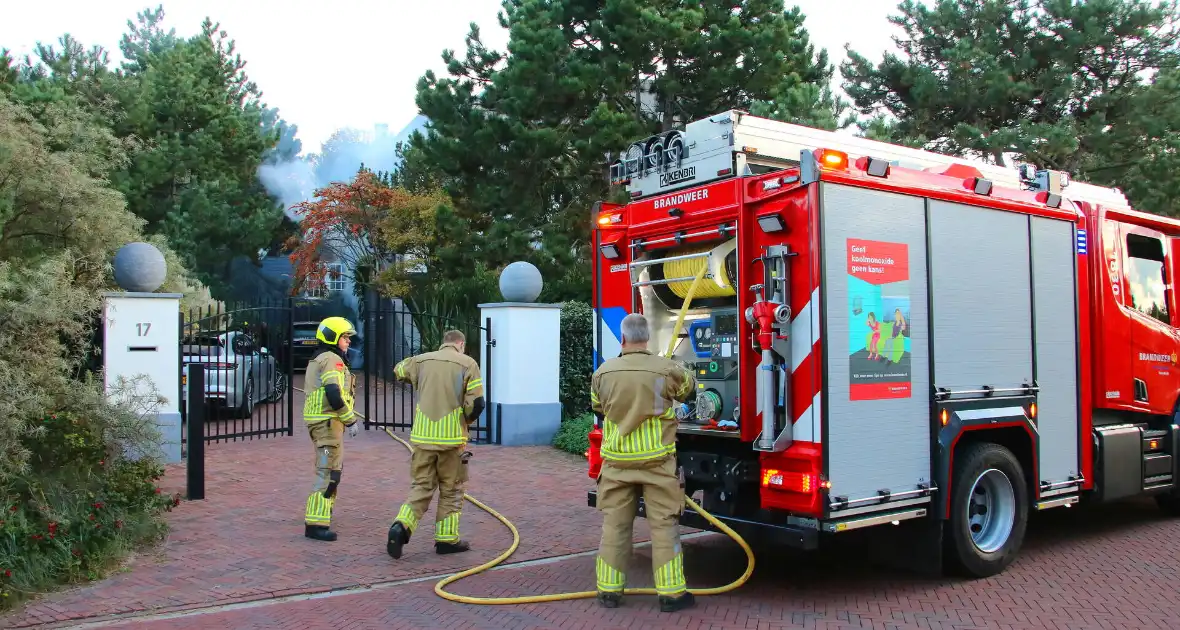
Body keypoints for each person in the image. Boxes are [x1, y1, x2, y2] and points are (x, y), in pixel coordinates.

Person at [590, 312, 697, 612]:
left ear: (623, 339)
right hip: (657, 463)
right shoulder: (667, 369)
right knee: (663, 527)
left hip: (617, 463)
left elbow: (598, 407)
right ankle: (672, 595)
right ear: (647, 337)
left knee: (614, 526)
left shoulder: (603, 372)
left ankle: (609, 592)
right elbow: (689, 388)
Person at [386, 329, 485, 558]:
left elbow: (398, 370)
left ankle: (400, 526)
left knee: (421, 486)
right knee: (452, 489)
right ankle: (447, 540)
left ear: (444, 343)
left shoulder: (421, 360)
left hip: (422, 438)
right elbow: (477, 403)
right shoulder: (468, 363)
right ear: (461, 343)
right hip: (451, 440)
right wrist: (465, 421)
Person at [302, 316, 359, 542]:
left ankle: (323, 512)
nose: (348, 342)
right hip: (328, 424)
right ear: (333, 337)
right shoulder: (332, 360)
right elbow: (334, 393)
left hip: (325, 424)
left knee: (332, 470)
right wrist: (350, 420)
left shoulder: (321, 358)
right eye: (345, 337)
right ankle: (315, 523)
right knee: (327, 471)